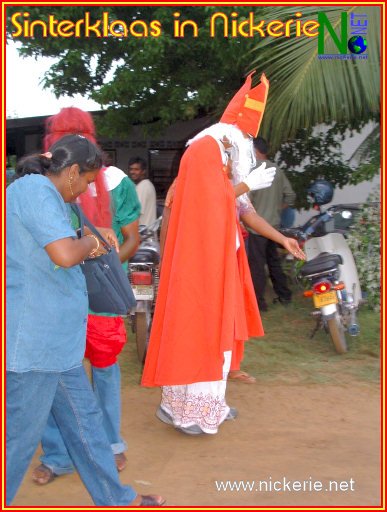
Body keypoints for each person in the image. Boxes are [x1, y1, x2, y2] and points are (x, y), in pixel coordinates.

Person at [141, 72, 305, 435]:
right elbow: (202, 203)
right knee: (200, 333)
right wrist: (245, 184)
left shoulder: (223, 155)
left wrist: (282, 239)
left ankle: (208, 404)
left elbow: (243, 210)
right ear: (231, 135)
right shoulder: (205, 150)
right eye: (245, 139)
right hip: (199, 265)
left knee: (219, 334)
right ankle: (191, 413)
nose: (247, 145)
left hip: (218, 262)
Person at [6, 134, 164, 506]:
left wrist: (87, 235)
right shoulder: (35, 190)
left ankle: (117, 499)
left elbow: (53, 246)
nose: (84, 191)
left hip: (58, 343)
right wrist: (93, 244)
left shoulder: (51, 198)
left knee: (87, 427)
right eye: (88, 182)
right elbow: (63, 254)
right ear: (73, 171)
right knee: (17, 443)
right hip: (36, 344)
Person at [32, 107, 141, 484]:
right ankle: (59, 454)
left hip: (98, 295)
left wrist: (104, 264)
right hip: (56, 294)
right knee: (55, 372)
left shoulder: (117, 182)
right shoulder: (40, 184)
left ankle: (109, 443)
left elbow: (131, 239)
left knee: (104, 369)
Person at [247, 136, 296, 312]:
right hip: (274, 226)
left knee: (257, 266)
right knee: (274, 262)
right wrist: (277, 208)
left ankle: (258, 303)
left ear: (255, 151)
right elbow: (290, 196)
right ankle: (284, 295)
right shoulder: (277, 170)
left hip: (256, 228)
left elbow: (246, 201)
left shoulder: (252, 172)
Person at [128, 157, 157, 226]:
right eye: (131, 169)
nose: (132, 172)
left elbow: (134, 214)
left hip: (143, 234)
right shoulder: (143, 185)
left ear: (144, 171)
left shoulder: (143, 186)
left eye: (136, 169)